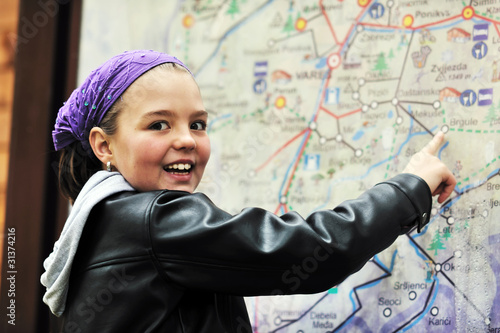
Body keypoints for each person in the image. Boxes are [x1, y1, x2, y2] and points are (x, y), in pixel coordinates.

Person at [41, 50, 456, 333]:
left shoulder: (100, 221)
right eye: (159, 124)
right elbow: (311, 251)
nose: (187, 139)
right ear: (104, 146)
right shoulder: (152, 221)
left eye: (198, 124)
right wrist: (409, 189)